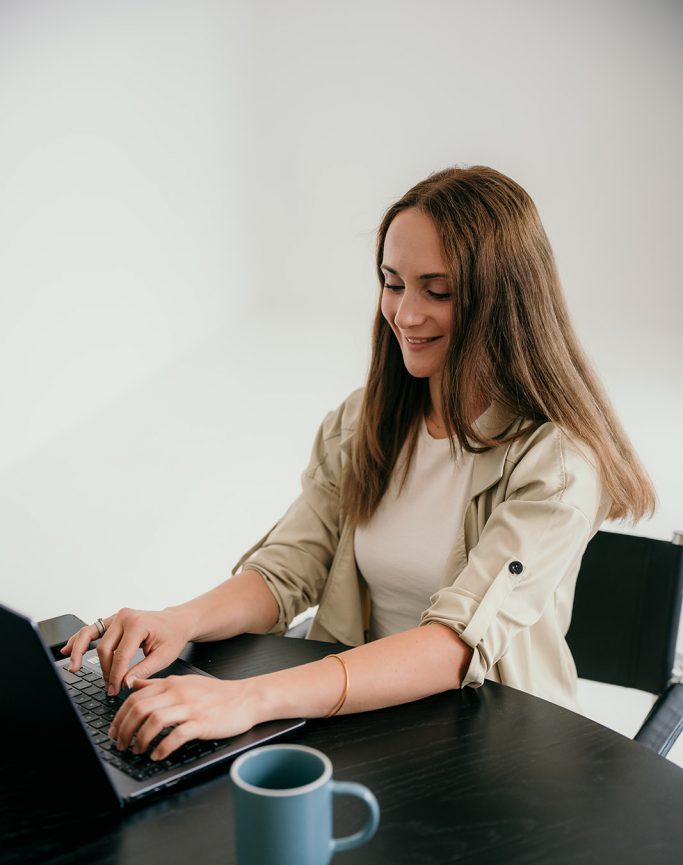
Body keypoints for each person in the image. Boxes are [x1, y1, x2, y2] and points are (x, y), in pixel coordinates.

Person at [62, 164, 655, 763]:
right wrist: (177, 620)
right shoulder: (362, 421)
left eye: (438, 290)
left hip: (491, 747)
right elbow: (288, 569)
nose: (405, 313)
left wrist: (251, 698)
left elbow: (455, 644)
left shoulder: (556, 464)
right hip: (363, 722)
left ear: (502, 300)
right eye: (392, 282)